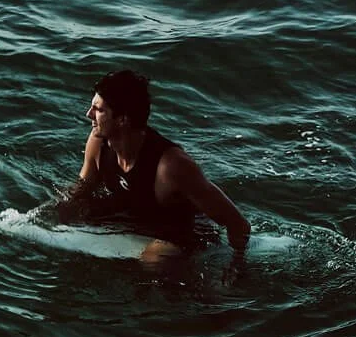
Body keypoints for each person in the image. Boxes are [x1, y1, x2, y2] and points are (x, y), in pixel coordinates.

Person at [46, 69, 250, 264]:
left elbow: (238, 224)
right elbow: (82, 188)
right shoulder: (98, 143)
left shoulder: (171, 166)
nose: (88, 114)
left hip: (181, 232)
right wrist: (53, 215)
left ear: (122, 119)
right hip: (132, 218)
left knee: (154, 260)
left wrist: (236, 268)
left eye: (99, 110)